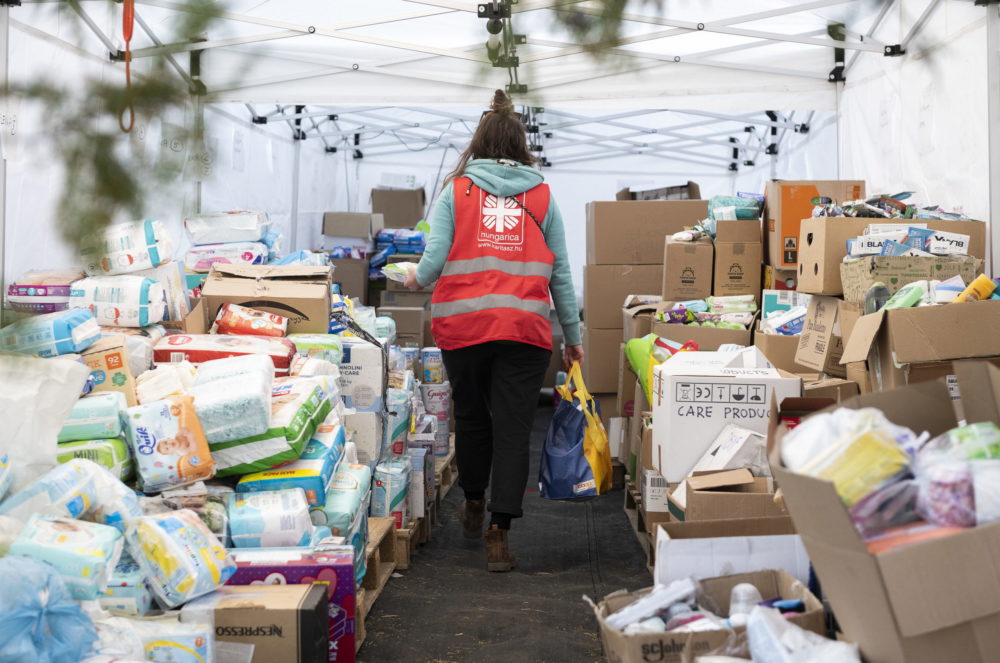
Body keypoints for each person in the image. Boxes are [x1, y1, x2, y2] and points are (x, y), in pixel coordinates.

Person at [405, 89, 583, 572]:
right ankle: (499, 532)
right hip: (525, 329)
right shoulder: (542, 194)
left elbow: (433, 261)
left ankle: (475, 499)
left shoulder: (456, 190)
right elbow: (561, 271)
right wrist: (574, 336)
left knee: (473, 417)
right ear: (521, 144)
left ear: (478, 142)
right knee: (513, 427)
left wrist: (412, 278)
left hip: (464, 325)